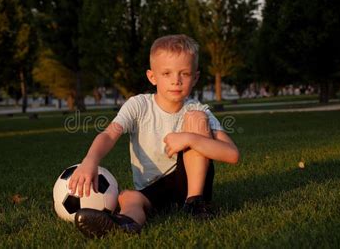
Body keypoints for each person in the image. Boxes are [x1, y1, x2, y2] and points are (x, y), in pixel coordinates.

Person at [68, 34, 239, 238]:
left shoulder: (197, 109)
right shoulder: (139, 106)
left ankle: (195, 203)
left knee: (196, 118)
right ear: (152, 77)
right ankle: (124, 224)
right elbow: (109, 134)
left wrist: (190, 139)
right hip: (152, 189)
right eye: (167, 73)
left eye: (184, 73)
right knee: (128, 197)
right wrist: (90, 160)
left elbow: (232, 154)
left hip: (191, 182)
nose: (176, 81)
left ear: (195, 77)